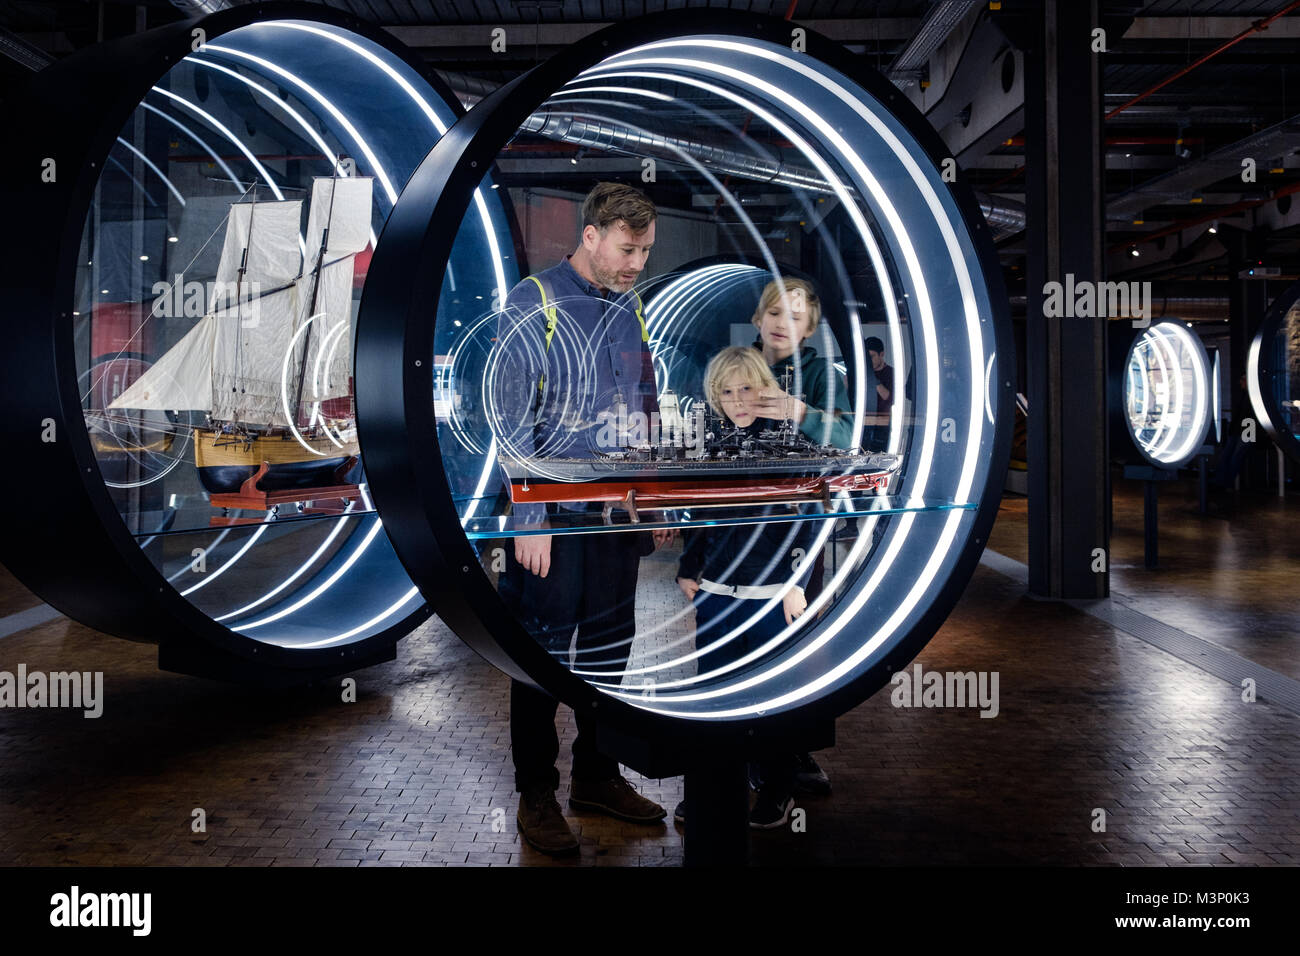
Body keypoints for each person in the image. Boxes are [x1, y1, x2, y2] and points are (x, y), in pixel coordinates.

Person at [493, 182, 669, 855]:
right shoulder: (532, 302)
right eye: (629, 249)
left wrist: (651, 494)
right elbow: (507, 415)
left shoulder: (632, 310)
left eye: (646, 251)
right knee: (539, 655)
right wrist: (528, 512)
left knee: (608, 651)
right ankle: (536, 794)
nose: (637, 263)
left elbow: (645, 405)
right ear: (591, 236)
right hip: (556, 519)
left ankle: (597, 774)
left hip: (615, 517)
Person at [674, 346, 819, 829]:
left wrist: (797, 586)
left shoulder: (790, 444)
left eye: (746, 389)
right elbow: (701, 517)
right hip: (717, 596)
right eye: (726, 391)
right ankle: (714, 790)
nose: (737, 400)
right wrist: (687, 567)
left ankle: (776, 791)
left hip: (772, 599)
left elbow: (811, 524)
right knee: (713, 698)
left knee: (771, 701)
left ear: (764, 390)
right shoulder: (709, 446)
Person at [748, 276, 848, 795]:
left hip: (798, 528)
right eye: (774, 313)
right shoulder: (736, 366)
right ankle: (746, 753)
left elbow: (853, 436)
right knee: (742, 639)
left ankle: (788, 753)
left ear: (809, 328)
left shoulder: (822, 375)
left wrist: (801, 413)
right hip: (741, 526)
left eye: (794, 316)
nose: (782, 324)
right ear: (758, 318)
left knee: (792, 636)